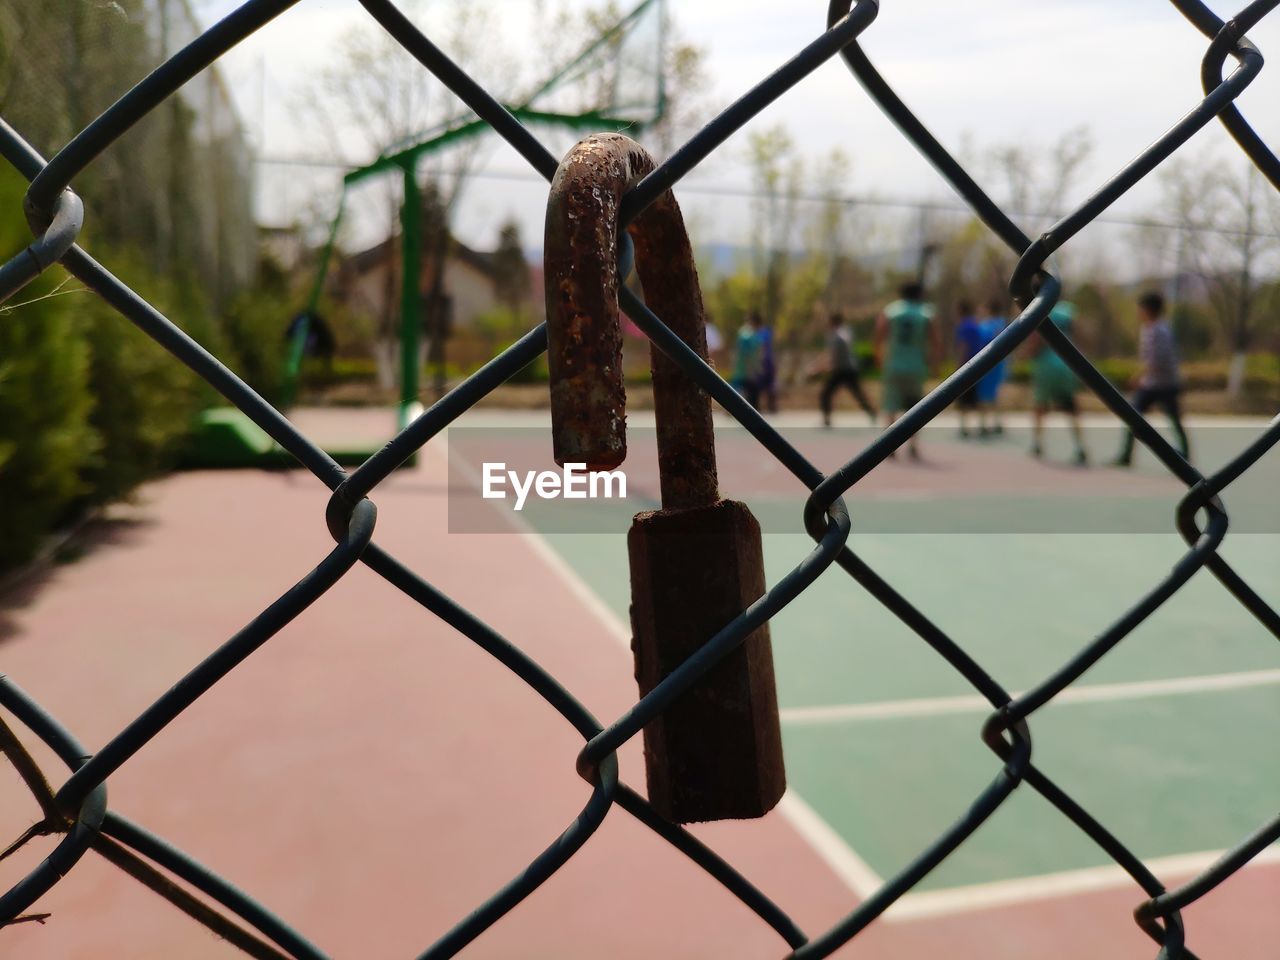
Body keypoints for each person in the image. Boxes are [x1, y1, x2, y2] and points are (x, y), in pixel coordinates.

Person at [1112, 291, 1189, 466]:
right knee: (1133, 415)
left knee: (1173, 418)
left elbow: (1158, 359)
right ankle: (1126, 455)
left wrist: (1140, 376)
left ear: (1148, 309)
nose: (1138, 312)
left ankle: (1184, 454)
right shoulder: (1148, 328)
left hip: (1164, 383)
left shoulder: (1160, 330)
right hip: (1153, 382)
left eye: (1141, 308)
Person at [874, 281, 939, 460]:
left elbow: (879, 335)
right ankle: (913, 446)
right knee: (915, 409)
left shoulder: (891, 311)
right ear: (918, 294)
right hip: (915, 366)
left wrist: (879, 359)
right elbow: (934, 341)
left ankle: (889, 446)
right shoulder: (925, 313)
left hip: (894, 365)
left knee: (890, 406)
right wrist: (935, 365)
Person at [1029, 300, 1088, 465]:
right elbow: (1078, 334)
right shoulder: (1067, 310)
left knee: (1040, 405)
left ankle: (1037, 444)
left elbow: (1035, 340)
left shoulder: (1038, 309)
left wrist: (1029, 353)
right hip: (1065, 362)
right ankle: (1080, 446)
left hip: (1046, 364)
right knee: (1071, 407)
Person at [818, 312, 876, 427]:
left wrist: (824, 367)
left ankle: (827, 418)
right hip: (845, 369)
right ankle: (871, 412)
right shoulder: (842, 333)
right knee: (855, 394)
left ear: (832, 322)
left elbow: (835, 355)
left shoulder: (838, 336)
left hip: (845, 370)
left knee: (827, 393)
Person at [975, 299, 1008, 434]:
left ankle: (983, 423)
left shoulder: (985, 325)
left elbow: (980, 343)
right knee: (996, 394)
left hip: (986, 363)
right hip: (1000, 363)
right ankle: (997, 422)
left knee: (984, 395)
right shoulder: (1004, 324)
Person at [953, 299, 984, 437]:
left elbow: (963, 346)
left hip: (966, 366)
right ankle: (981, 425)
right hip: (977, 364)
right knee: (975, 398)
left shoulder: (963, 326)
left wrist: (959, 365)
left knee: (963, 398)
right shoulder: (975, 324)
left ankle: (964, 426)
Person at [731, 313, 763, 409]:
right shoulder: (747, 335)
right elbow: (747, 354)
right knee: (751, 398)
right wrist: (752, 371)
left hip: (744, 370)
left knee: (741, 391)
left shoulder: (747, 333)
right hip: (747, 371)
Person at [756, 315, 778, 413]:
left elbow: (762, 347)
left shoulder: (760, 333)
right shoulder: (766, 331)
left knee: (764, 384)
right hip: (768, 361)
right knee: (769, 385)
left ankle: (771, 406)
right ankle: (770, 406)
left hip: (764, 362)